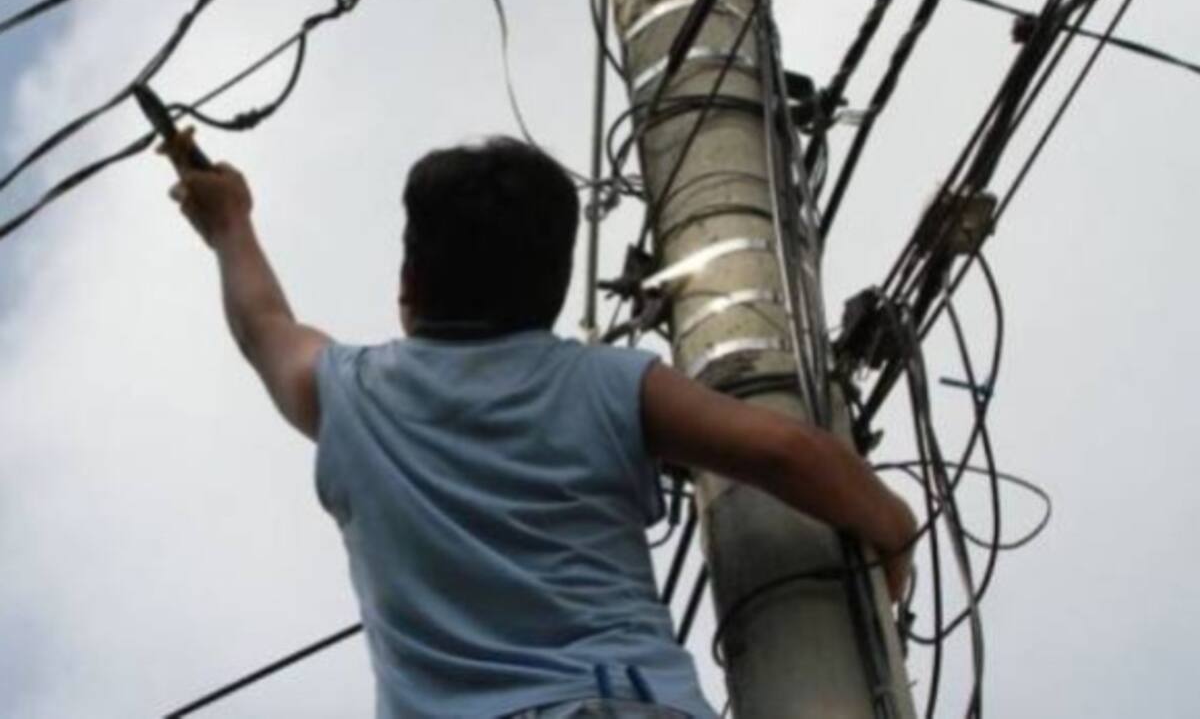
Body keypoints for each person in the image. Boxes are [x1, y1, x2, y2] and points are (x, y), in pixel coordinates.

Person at [165, 135, 916, 719]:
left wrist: (229, 222)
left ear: (409, 283)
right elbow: (784, 450)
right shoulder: (607, 382)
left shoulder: (349, 394)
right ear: (554, 291)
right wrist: (892, 527)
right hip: (621, 701)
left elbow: (262, 325)